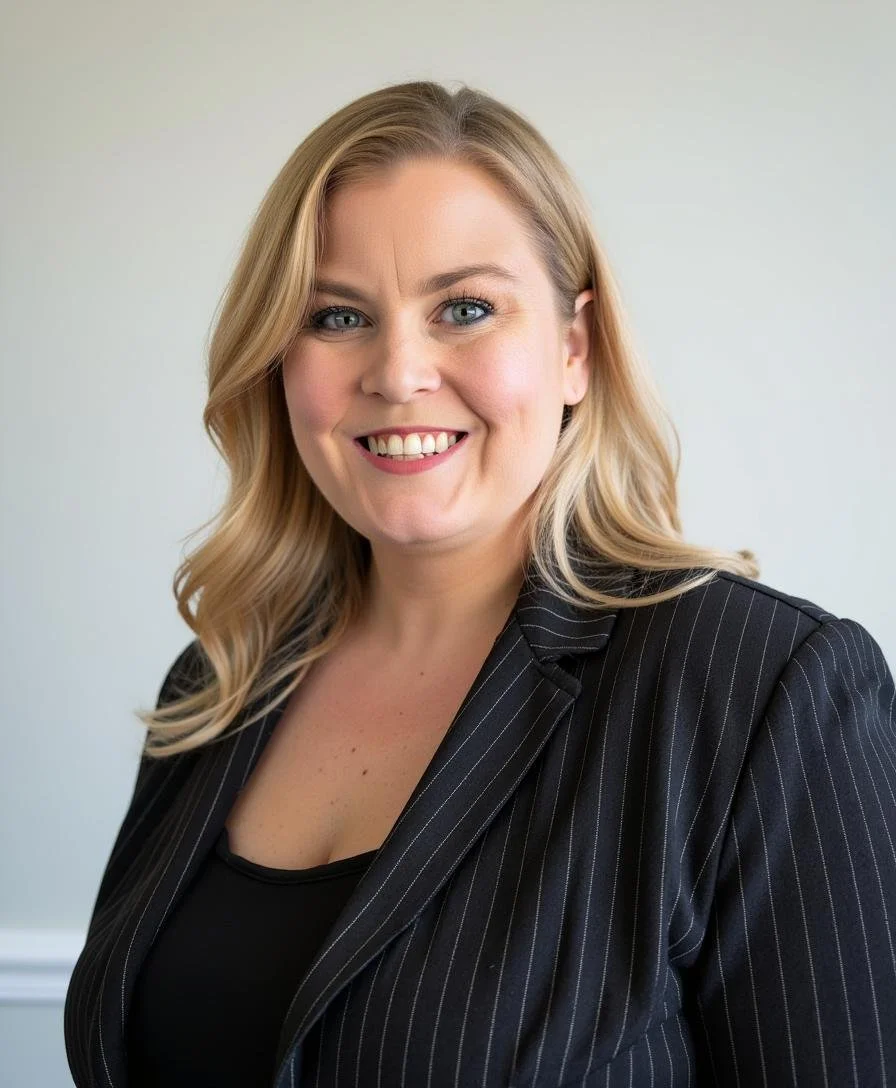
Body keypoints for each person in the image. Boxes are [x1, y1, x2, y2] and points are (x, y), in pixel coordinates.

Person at [64, 79, 896, 1088]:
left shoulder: (762, 689)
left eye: (464, 308)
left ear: (573, 347)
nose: (398, 370)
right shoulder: (220, 677)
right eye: (335, 315)